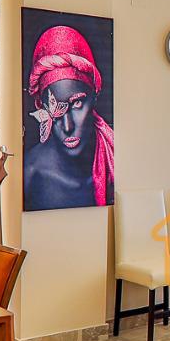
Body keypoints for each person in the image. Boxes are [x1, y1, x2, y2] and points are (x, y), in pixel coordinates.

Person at [24, 25, 115, 209]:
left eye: (77, 103)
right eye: (55, 109)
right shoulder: (30, 175)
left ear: (94, 96)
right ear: (41, 107)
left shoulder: (117, 157)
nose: (67, 126)